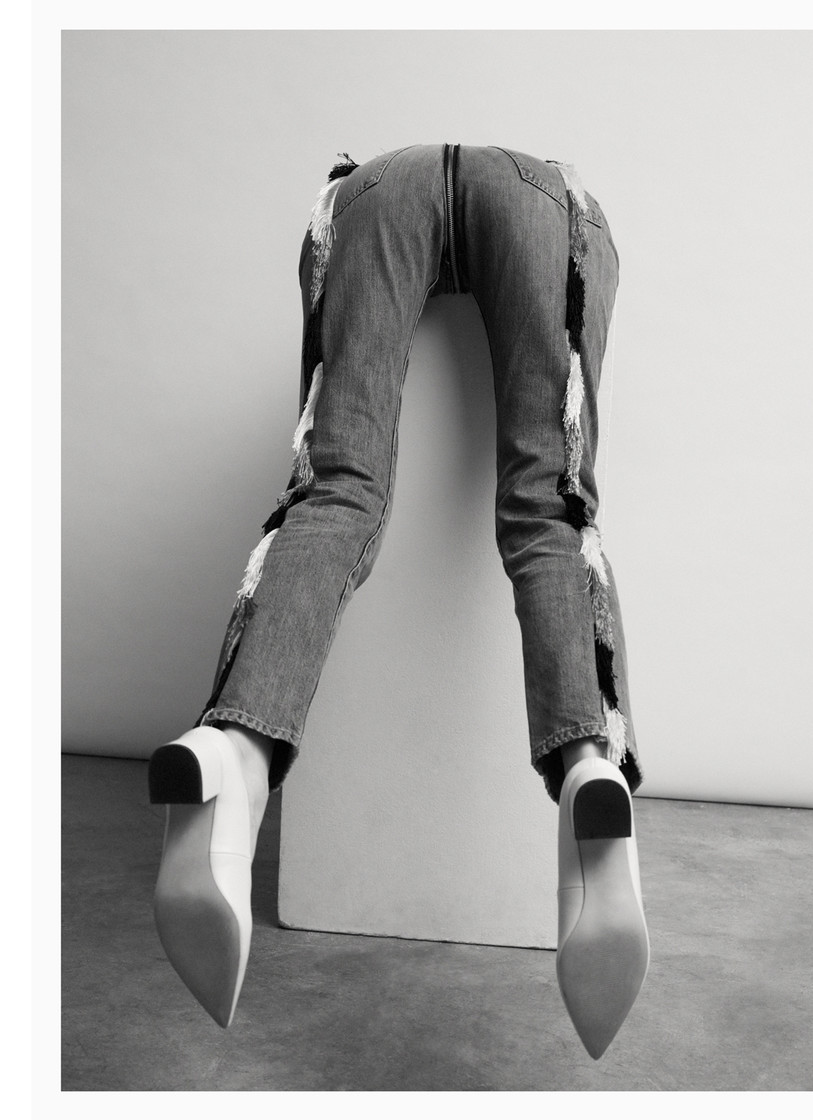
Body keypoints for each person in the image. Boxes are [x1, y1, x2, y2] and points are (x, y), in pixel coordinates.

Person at [148, 144, 650, 1059]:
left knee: (335, 491)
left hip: (380, 188)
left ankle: (235, 750)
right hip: (535, 193)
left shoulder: (369, 191)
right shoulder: (545, 190)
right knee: (549, 503)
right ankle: (588, 765)